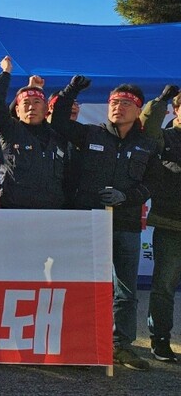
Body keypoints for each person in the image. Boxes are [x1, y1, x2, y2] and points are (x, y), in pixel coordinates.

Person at [51, 76, 160, 371]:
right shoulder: (90, 134)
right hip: (89, 223)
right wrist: (71, 90)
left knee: (125, 291)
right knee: (84, 285)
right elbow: (58, 122)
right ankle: (81, 343)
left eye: (126, 103)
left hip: (125, 225)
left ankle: (121, 346)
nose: (118, 108)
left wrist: (127, 196)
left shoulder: (148, 145)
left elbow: (152, 183)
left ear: (138, 110)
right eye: (114, 102)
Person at [0, 57, 66, 209]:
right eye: (26, 104)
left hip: (52, 214)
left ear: (46, 109)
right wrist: (6, 73)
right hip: (14, 212)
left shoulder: (57, 137)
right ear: (17, 110)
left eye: (36, 103)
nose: (31, 108)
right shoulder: (10, 132)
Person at [139, 85, 181, 362]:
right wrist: (160, 100)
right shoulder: (164, 138)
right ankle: (160, 339)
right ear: (176, 110)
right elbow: (145, 129)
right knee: (164, 286)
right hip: (170, 224)